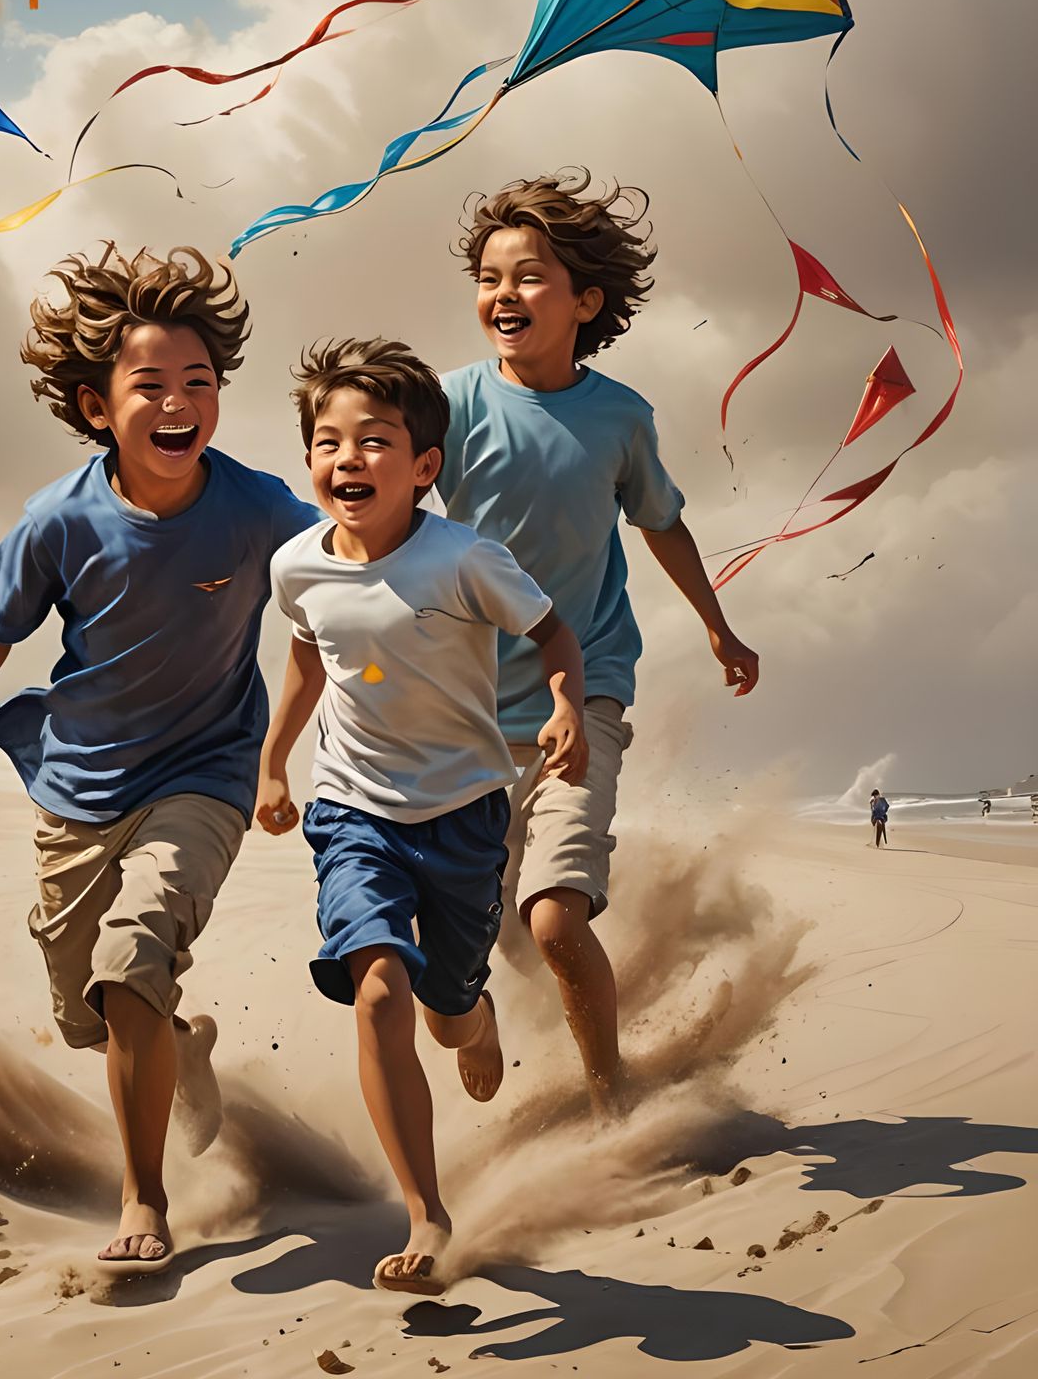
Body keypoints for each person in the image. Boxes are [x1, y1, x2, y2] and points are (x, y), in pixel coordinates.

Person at [0, 244, 313, 1276]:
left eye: (200, 381)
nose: (179, 402)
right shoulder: (59, 519)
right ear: (99, 407)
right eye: (151, 384)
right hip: (78, 789)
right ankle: (178, 1050)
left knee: (131, 961)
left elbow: (348, 561)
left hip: (206, 777)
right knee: (90, 1014)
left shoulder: (257, 508)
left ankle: (144, 1196)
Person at [257, 338, 587, 1296]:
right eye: (328, 442)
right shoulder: (296, 567)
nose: (347, 459)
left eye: (374, 440)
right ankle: (426, 1213)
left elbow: (552, 632)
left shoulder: (465, 558)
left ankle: (474, 1020)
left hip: (464, 816)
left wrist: (566, 705)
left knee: (443, 1014)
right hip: (352, 810)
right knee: (376, 990)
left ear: (424, 465)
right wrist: (274, 762)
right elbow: (309, 655)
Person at [437, 170, 760, 1118]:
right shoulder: (446, 405)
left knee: (554, 918)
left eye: (529, 276)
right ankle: (490, 1018)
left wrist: (718, 626)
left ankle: (611, 1103)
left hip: (586, 694)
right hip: (461, 712)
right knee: (490, 931)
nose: (504, 293)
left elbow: (661, 523)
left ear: (585, 301)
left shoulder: (620, 417)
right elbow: (381, 513)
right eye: (489, 278)